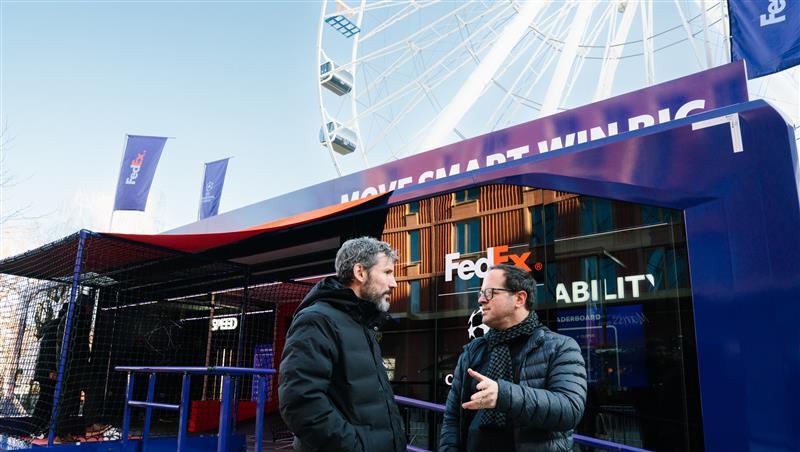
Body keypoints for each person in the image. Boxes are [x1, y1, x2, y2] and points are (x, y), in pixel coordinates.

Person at [440, 264, 587, 452]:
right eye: (480, 293)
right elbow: (452, 419)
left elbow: (570, 409)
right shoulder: (472, 352)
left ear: (519, 298)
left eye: (490, 292)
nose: (481, 300)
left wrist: (503, 395)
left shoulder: (560, 347)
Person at [279, 236, 406, 452]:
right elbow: (300, 403)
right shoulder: (316, 320)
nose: (394, 283)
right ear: (360, 272)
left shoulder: (363, 323)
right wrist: (355, 447)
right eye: (387, 272)